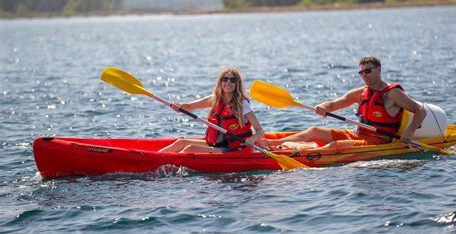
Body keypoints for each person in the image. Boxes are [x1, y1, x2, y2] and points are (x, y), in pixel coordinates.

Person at [260, 56, 426, 150]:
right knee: (314, 130)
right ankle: (271, 143)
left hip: (379, 141)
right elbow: (333, 104)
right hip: (360, 135)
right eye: (361, 73)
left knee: (336, 145)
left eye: (368, 71)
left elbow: (420, 111)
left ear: (379, 69)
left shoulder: (392, 94)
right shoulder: (360, 93)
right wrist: (323, 107)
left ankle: (302, 152)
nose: (364, 75)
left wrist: (410, 132)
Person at [158, 67, 265, 153]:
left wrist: (252, 139)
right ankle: (156, 158)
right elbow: (189, 106)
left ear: (237, 84)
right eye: (225, 79)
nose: (228, 82)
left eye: (232, 80)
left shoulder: (242, 104)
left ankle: (166, 163)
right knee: (181, 142)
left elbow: (260, 130)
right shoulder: (215, 99)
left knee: (190, 149)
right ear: (221, 82)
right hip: (215, 143)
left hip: (231, 148)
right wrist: (178, 106)